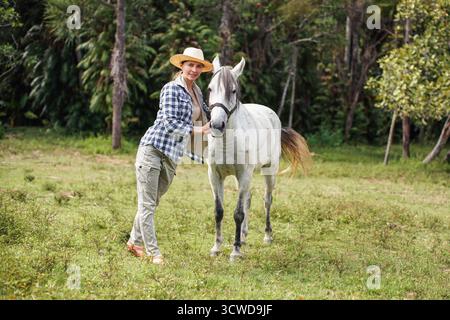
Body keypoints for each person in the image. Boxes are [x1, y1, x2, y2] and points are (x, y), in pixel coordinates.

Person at [127, 47, 212, 264]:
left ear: (202, 69)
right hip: (153, 149)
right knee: (147, 204)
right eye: (189, 65)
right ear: (181, 66)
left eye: (197, 66)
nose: (193, 69)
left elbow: (206, 114)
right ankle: (154, 253)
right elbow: (169, 123)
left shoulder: (197, 91)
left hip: (172, 155)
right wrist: (198, 131)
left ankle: (133, 242)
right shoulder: (171, 89)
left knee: (152, 202)